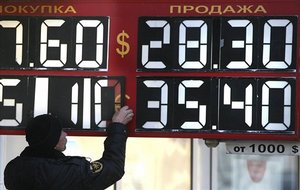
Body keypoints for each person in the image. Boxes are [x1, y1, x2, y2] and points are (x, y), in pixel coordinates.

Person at [4, 106, 134, 190]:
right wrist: (118, 126)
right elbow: (113, 168)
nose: (65, 134)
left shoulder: (12, 170)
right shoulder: (65, 173)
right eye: (60, 132)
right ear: (52, 143)